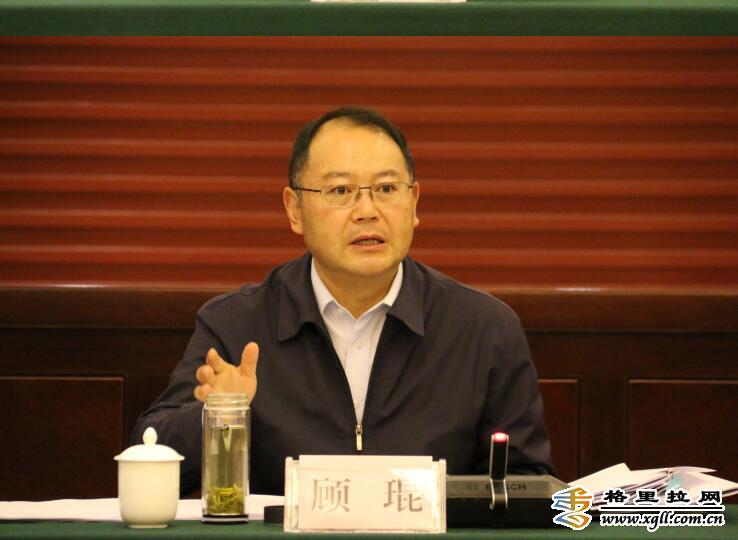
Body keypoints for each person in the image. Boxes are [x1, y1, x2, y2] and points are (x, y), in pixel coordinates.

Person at [132, 106, 553, 495]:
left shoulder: (484, 328)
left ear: (414, 202)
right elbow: (150, 450)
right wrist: (221, 415)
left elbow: (527, 484)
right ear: (295, 210)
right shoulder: (236, 325)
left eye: (386, 188)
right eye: (340, 190)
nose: (367, 210)